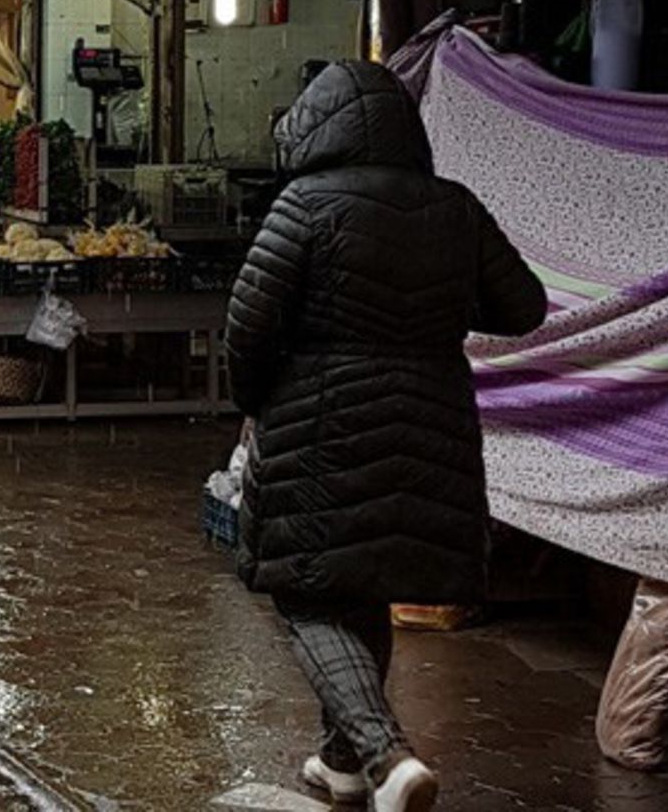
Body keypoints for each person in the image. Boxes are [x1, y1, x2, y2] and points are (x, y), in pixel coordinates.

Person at [227, 61, 545, 812]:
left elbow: (248, 327)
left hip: (318, 423)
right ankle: (340, 763)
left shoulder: (303, 205)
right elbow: (523, 306)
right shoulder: (454, 208)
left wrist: (255, 399)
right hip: (430, 418)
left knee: (302, 592)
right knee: (359, 582)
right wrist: (429, 316)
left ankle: (384, 755)